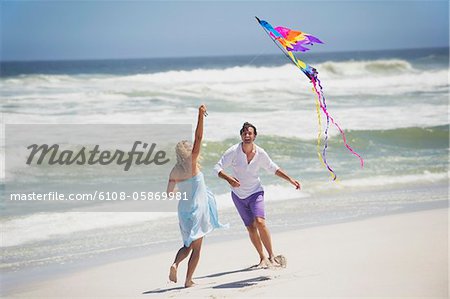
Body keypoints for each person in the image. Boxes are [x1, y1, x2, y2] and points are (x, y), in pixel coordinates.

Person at [214, 122, 300, 268]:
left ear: (254, 136)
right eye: (244, 133)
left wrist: (290, 179)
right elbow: (217, 168)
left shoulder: (260, 153)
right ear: (241, 135)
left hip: (255, 192)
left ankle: (272, 256)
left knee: (260, 222)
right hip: (238, 195)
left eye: (250, 133)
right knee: (250, 227)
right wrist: (229, 179)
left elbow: (273, 168)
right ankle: (262, 258)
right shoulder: (233, 151)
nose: (247, 135)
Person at [167, 104, 226, 288]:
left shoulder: (175, 170)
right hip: (197, 210)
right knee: (197, 248)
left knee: (187, 244)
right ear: (188, 150)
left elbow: (169, 193)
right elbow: (199, 136)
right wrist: (200, 115)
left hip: (183, 211)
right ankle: (188, 280)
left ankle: (175, 263)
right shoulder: (193, 162)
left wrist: (184, 191)